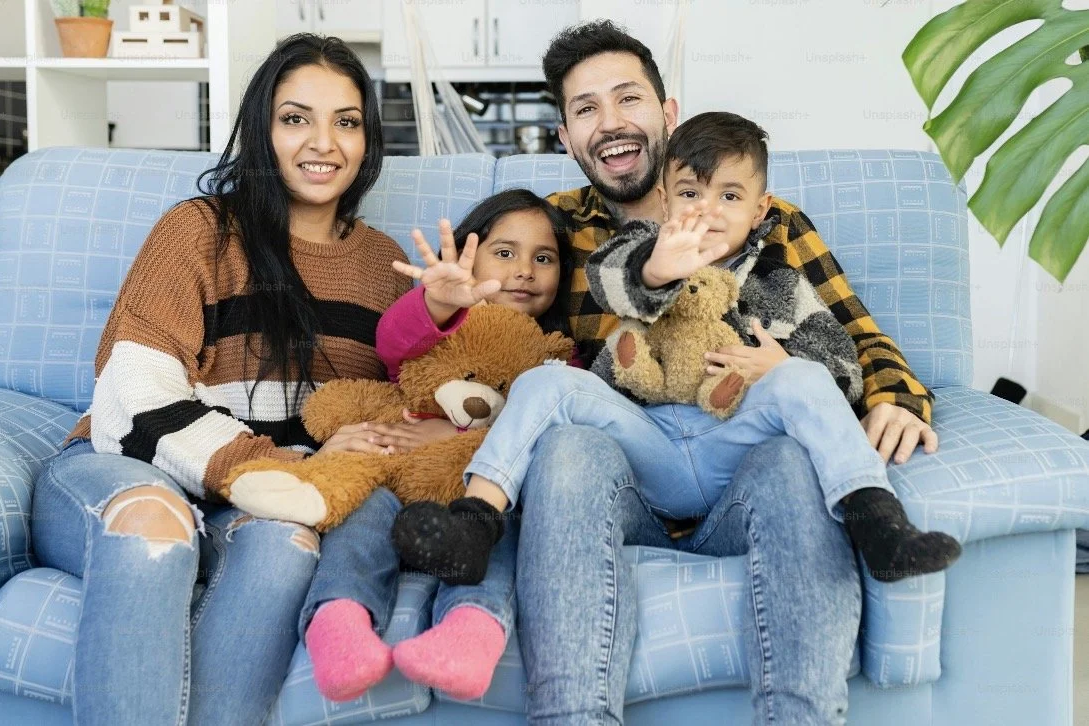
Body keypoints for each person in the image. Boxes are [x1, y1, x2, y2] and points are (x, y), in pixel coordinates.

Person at [402, 20, 939, 726]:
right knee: (569, 447)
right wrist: (439, 318)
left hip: (739, 460)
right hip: (620, 468)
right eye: (586, 109)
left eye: (628, 99)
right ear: (564, 137)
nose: (611, 124)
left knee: (787, 459)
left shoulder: (769, 223)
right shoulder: (549, 231)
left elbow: (856, 337)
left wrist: (898, 398)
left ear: (668, 113)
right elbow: (463, 344)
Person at [29, 34, 451, 726]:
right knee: (153, 528)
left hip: (266, 495)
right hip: (127, 468)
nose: (324, 142)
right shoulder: (197, 231)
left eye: (346, 121)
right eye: (296, 119)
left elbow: (378, 419)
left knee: (287, 547)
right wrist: (264, 467)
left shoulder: (384, 266)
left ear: (368, 139)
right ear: (262, 128)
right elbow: (134, 391)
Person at [394, 110, 962, 589]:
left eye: (729, 196)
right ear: (664, 201)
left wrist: (783, 368)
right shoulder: (638, 247)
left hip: (735, 446)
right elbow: (611, 279)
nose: (707, 211)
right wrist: (658, 269)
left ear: (761, 210)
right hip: (647, 447)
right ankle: (475, 523)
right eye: (690, 194)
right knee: (543, 382)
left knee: (805, 382)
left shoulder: (780, 279)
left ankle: (877, 521)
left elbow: (845, 361)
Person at [298, 188, 577, 703]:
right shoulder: (442, 322)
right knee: (362, 513)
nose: (524, 271)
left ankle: (470, 633)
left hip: (479, 501)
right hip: (399, 483)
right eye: (505, 252)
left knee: (504, 530)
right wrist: (439, 300)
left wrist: (463, 436)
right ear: (471, 257)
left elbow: (556, 424)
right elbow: (393, 341)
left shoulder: (557, 355)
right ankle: (340, 624)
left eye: (544, 259)